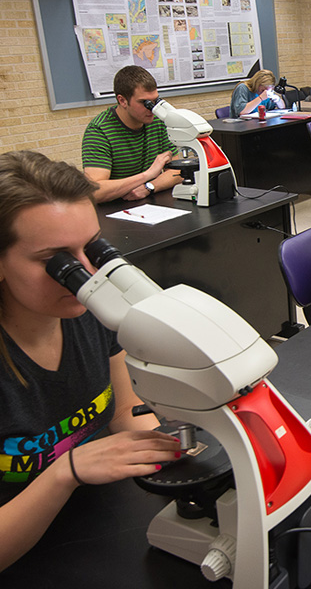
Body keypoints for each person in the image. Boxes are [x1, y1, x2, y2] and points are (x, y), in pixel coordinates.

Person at [0, 150, 181, 571]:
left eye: (91, 248)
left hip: (94, 521)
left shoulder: (86, 311)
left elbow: (123, 411)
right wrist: (67, 471)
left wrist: (187, 446)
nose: (85, 272)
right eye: (54, 260)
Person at [82, 66, 182, 203]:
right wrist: (147, 175)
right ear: (122, 101)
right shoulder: (99, 130)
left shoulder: (157, 121)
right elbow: (95, 191)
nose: (152, 108)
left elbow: (177, 172)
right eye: (144, 102)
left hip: (149, 201)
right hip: (115, 208)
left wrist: (149, 187)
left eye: (154, 101)